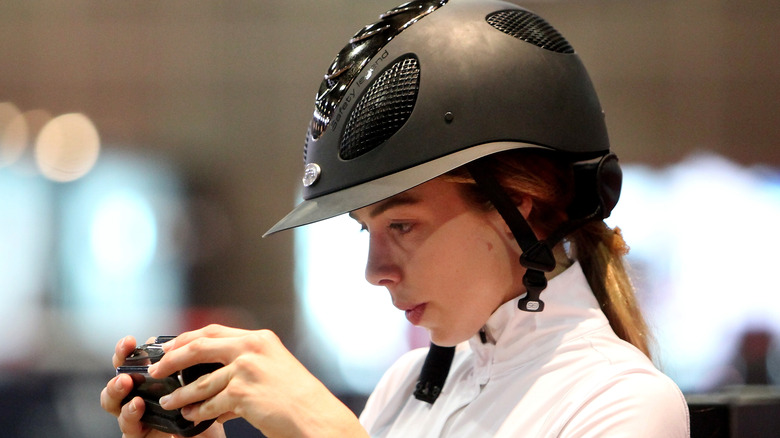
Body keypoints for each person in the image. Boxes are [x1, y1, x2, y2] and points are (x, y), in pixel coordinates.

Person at [100, 0, 690, 436]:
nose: (374, 271)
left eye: (401, 226)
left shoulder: (625, 404)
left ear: (522, 204)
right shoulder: (411, 385)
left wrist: (326, 428)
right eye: (366, 230)